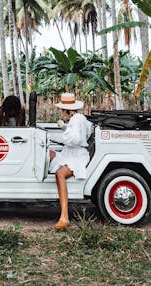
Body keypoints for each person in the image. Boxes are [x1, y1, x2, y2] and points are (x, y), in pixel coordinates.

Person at [49, 92, 93, 230]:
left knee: (60, 174)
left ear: (67, 110)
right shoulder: (77, 119)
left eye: (62, 110)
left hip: (77, 155)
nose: (61, 113)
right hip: (71, 153)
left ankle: (64, 216)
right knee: (49, 153)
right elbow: (74, 133)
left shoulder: (77, 119)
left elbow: (76, 139)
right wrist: (63, 128)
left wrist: (60, 132)